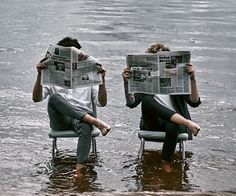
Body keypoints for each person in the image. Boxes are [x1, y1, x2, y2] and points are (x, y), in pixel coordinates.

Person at [32, 37, 111, 178]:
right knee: (55, 98)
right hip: (60, 121)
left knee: (85, 124)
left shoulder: (89, 74)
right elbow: (36, 99)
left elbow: (102, 103)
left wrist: (102, 80)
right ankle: (95, 122)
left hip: (81, 120)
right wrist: (39, 75)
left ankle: (79, 171)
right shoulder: (51, 72)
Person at [122, 43, 201, 172]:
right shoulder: (146, 82)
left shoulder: (178, 78)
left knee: (172, 125)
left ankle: (166, 161)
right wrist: (126, 84)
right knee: (147, 100)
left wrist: (192, 79)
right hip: (152, 122)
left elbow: (194, 102)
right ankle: (187, 123)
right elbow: (131, 104)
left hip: (174, 126)